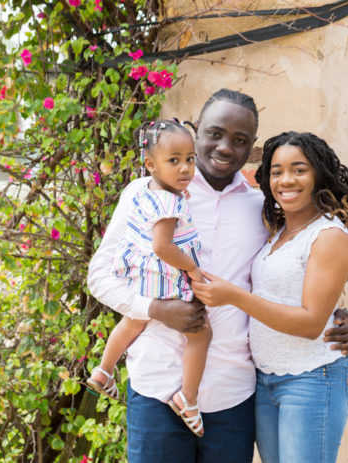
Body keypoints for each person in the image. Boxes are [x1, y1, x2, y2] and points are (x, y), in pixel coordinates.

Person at [87, 89, 348, 463]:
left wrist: (336, 315)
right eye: (215, 133)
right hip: (157, 384)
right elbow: (100, 276)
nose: (225, 147)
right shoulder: (145, 195)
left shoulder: (261, 209)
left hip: (234, 395)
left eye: (240, 140)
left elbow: (290, 270)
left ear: (251, 150)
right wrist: (154, 308)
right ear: (197, 131)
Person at [192, 131, 348, 462]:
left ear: (318, 174)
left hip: (311, 379)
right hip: (266, 381)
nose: (286, 180)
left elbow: (311, 323)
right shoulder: (278, 230)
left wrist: (233, 296)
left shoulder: (329, 235)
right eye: (277, 171)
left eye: (299, 169)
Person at [87, 119, 211, 437]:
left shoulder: (147, 191)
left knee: (132, 321)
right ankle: (188, 397)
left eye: (189, 159)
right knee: (201, 332)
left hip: (144, 277)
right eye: (174, 161)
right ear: (150, 164)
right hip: (166, 280)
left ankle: (103, 370)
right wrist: (193, 270)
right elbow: (163, 246)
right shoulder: (170, 202)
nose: (185, 169)